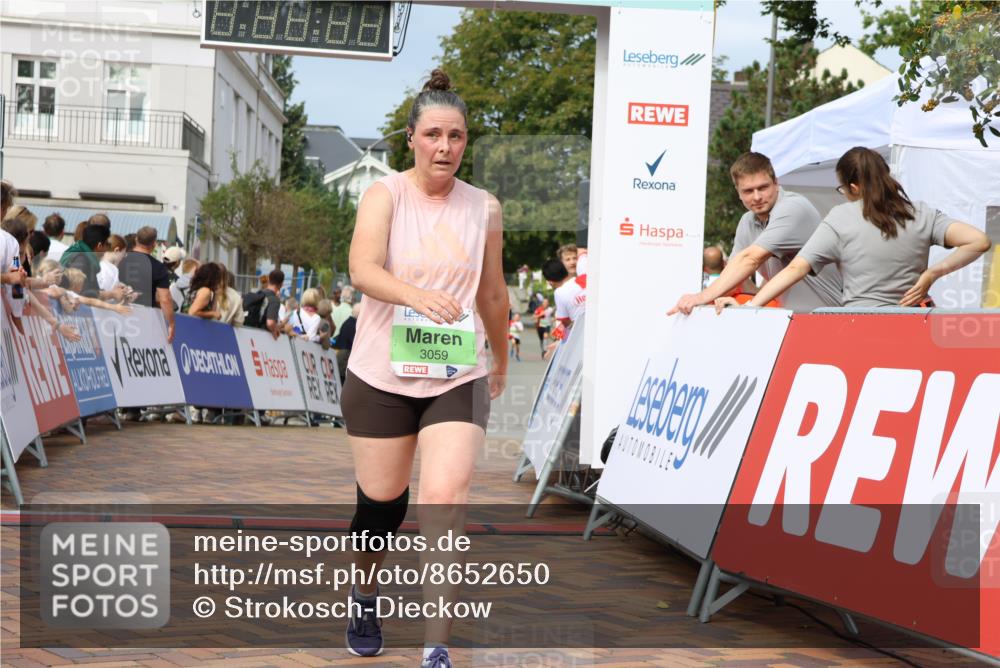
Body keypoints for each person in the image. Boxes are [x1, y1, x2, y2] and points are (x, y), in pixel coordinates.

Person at [341, 68, 508, 667]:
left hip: (457, 374)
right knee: (382, 507)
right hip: (381, 375)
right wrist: (416, 297)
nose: (445, 147)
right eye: (434, 134)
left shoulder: (484, 208)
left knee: (445, 497)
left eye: (457, 136)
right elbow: (362, 269)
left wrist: (502, 359)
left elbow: (492, 293)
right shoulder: (383, 195)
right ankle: (364, 591)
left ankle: (437, 645)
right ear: (410, 137)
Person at [728, 146, 991, 311]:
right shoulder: (921, 212)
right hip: (916, 317)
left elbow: (797, 268)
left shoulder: (840, 218)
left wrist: (752, 306)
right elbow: (978, 241)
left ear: (853, 187)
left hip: (862, 320)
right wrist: (933, 273)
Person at [669, 152, 843, 315]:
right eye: (748, 191)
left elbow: (750, 259)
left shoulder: (793, 208)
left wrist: (700, 297)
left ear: (776, 183)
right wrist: (702, 305)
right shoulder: (747, 221)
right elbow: (735, 273)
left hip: (831, 316)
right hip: (793, 320)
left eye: (763, 187)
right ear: (738, 192)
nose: (757, 197)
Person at [117, 226, 175, 341]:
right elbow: (165, 299)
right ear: (154, 244)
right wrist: (171, 323)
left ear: (136, 240)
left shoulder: (120, 260)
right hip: (144, 318)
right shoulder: (159, 267)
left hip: (118, 312)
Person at [332, 302, 359, 382]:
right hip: (345, 357)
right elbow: (354, 341)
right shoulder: (353, 324)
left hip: (341, 354)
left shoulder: (348, 322)